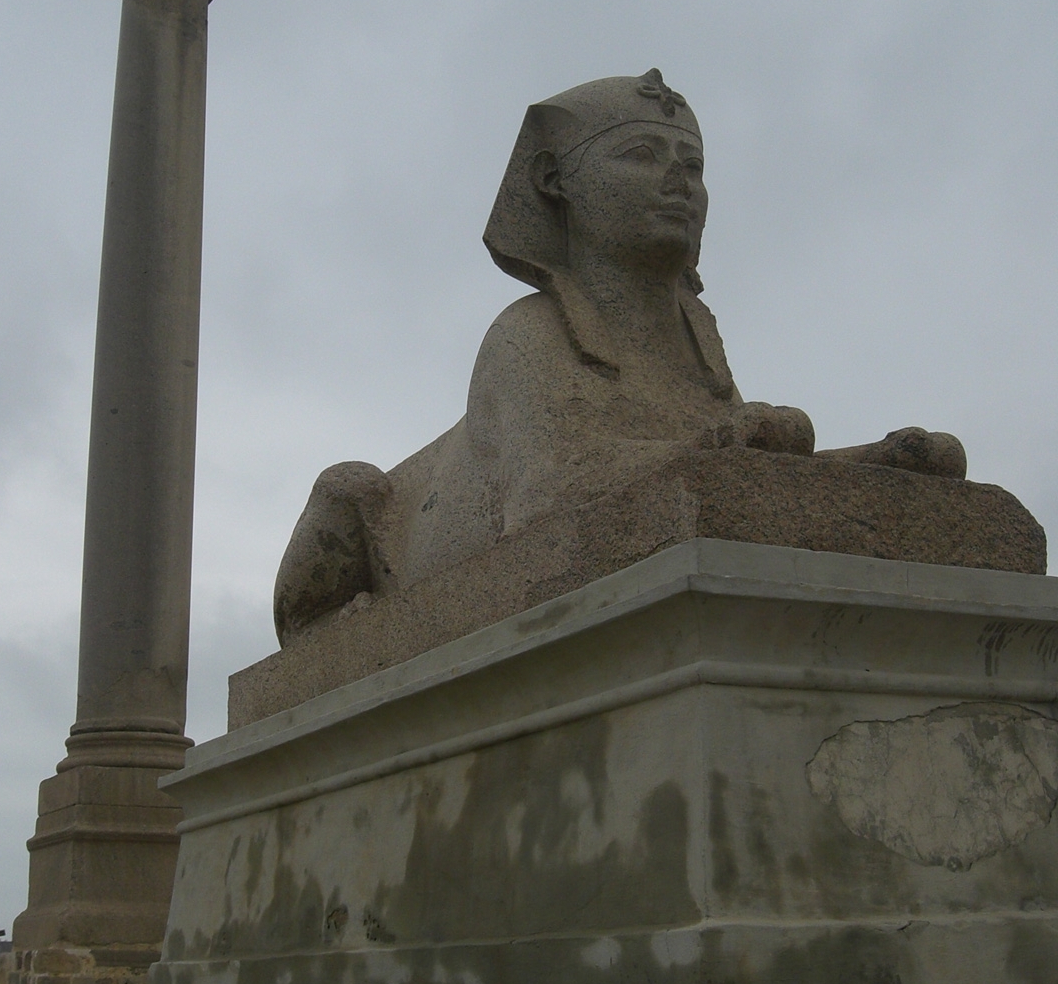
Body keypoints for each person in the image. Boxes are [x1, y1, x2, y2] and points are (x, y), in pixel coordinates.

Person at [274, 71, 964, 644]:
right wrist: (728, 440)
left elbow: (733, 463)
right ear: (553, 182)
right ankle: (314, 632)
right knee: (349, 484)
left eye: (690, 166)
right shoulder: (525, 334)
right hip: (395, 555)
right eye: (639, 155)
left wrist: (873, 457)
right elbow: (547, 495)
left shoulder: (697, 343)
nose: (678, 182)